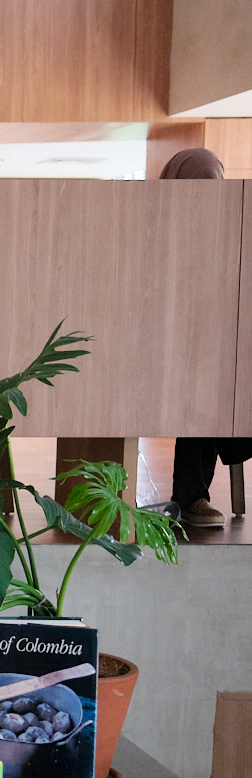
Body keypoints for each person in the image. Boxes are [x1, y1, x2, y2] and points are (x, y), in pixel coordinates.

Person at [160, 149, 252, 529]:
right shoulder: (155, 225)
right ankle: (192, 496)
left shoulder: (232, 226)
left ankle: (193, 495)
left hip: (213, 346)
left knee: (215, 379)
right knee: (203, 386)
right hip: (164, 348)